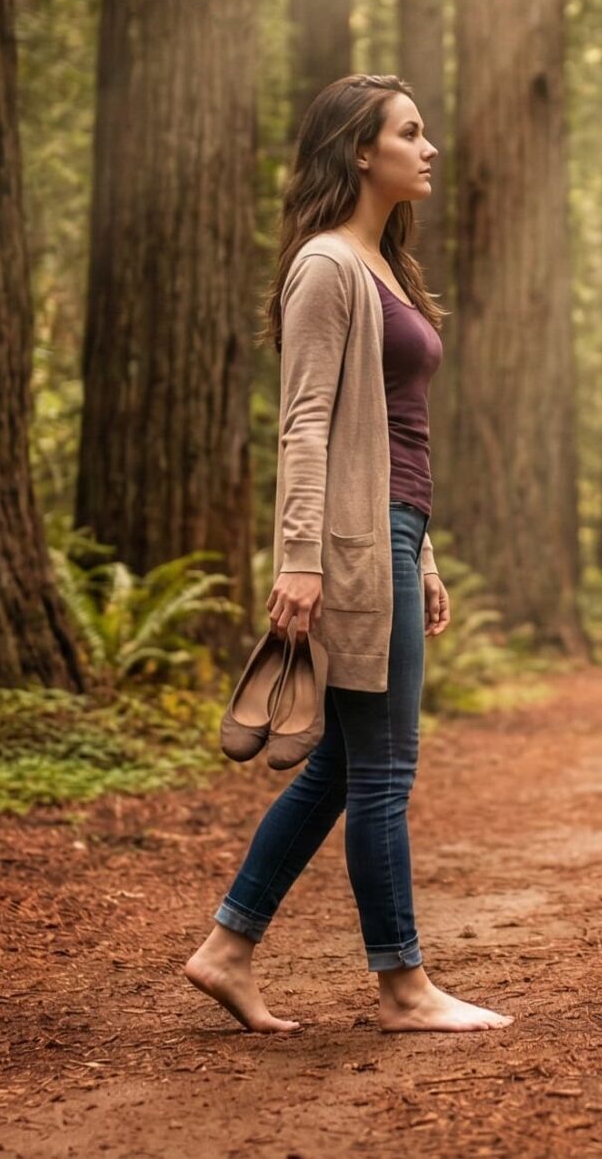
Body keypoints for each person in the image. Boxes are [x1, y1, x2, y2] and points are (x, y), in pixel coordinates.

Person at [181, 74, 514, 1036]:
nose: (429, 147)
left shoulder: (385, 266)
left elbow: (395, 434)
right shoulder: (328, 265)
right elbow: (305, 423)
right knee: (384, 770)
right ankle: (404, 988)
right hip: (352, 546)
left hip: (393, 533)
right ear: (360, 152)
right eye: (410, 133)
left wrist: (426, 557)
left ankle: (227, 949)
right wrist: (300, 558)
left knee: (340, 761)